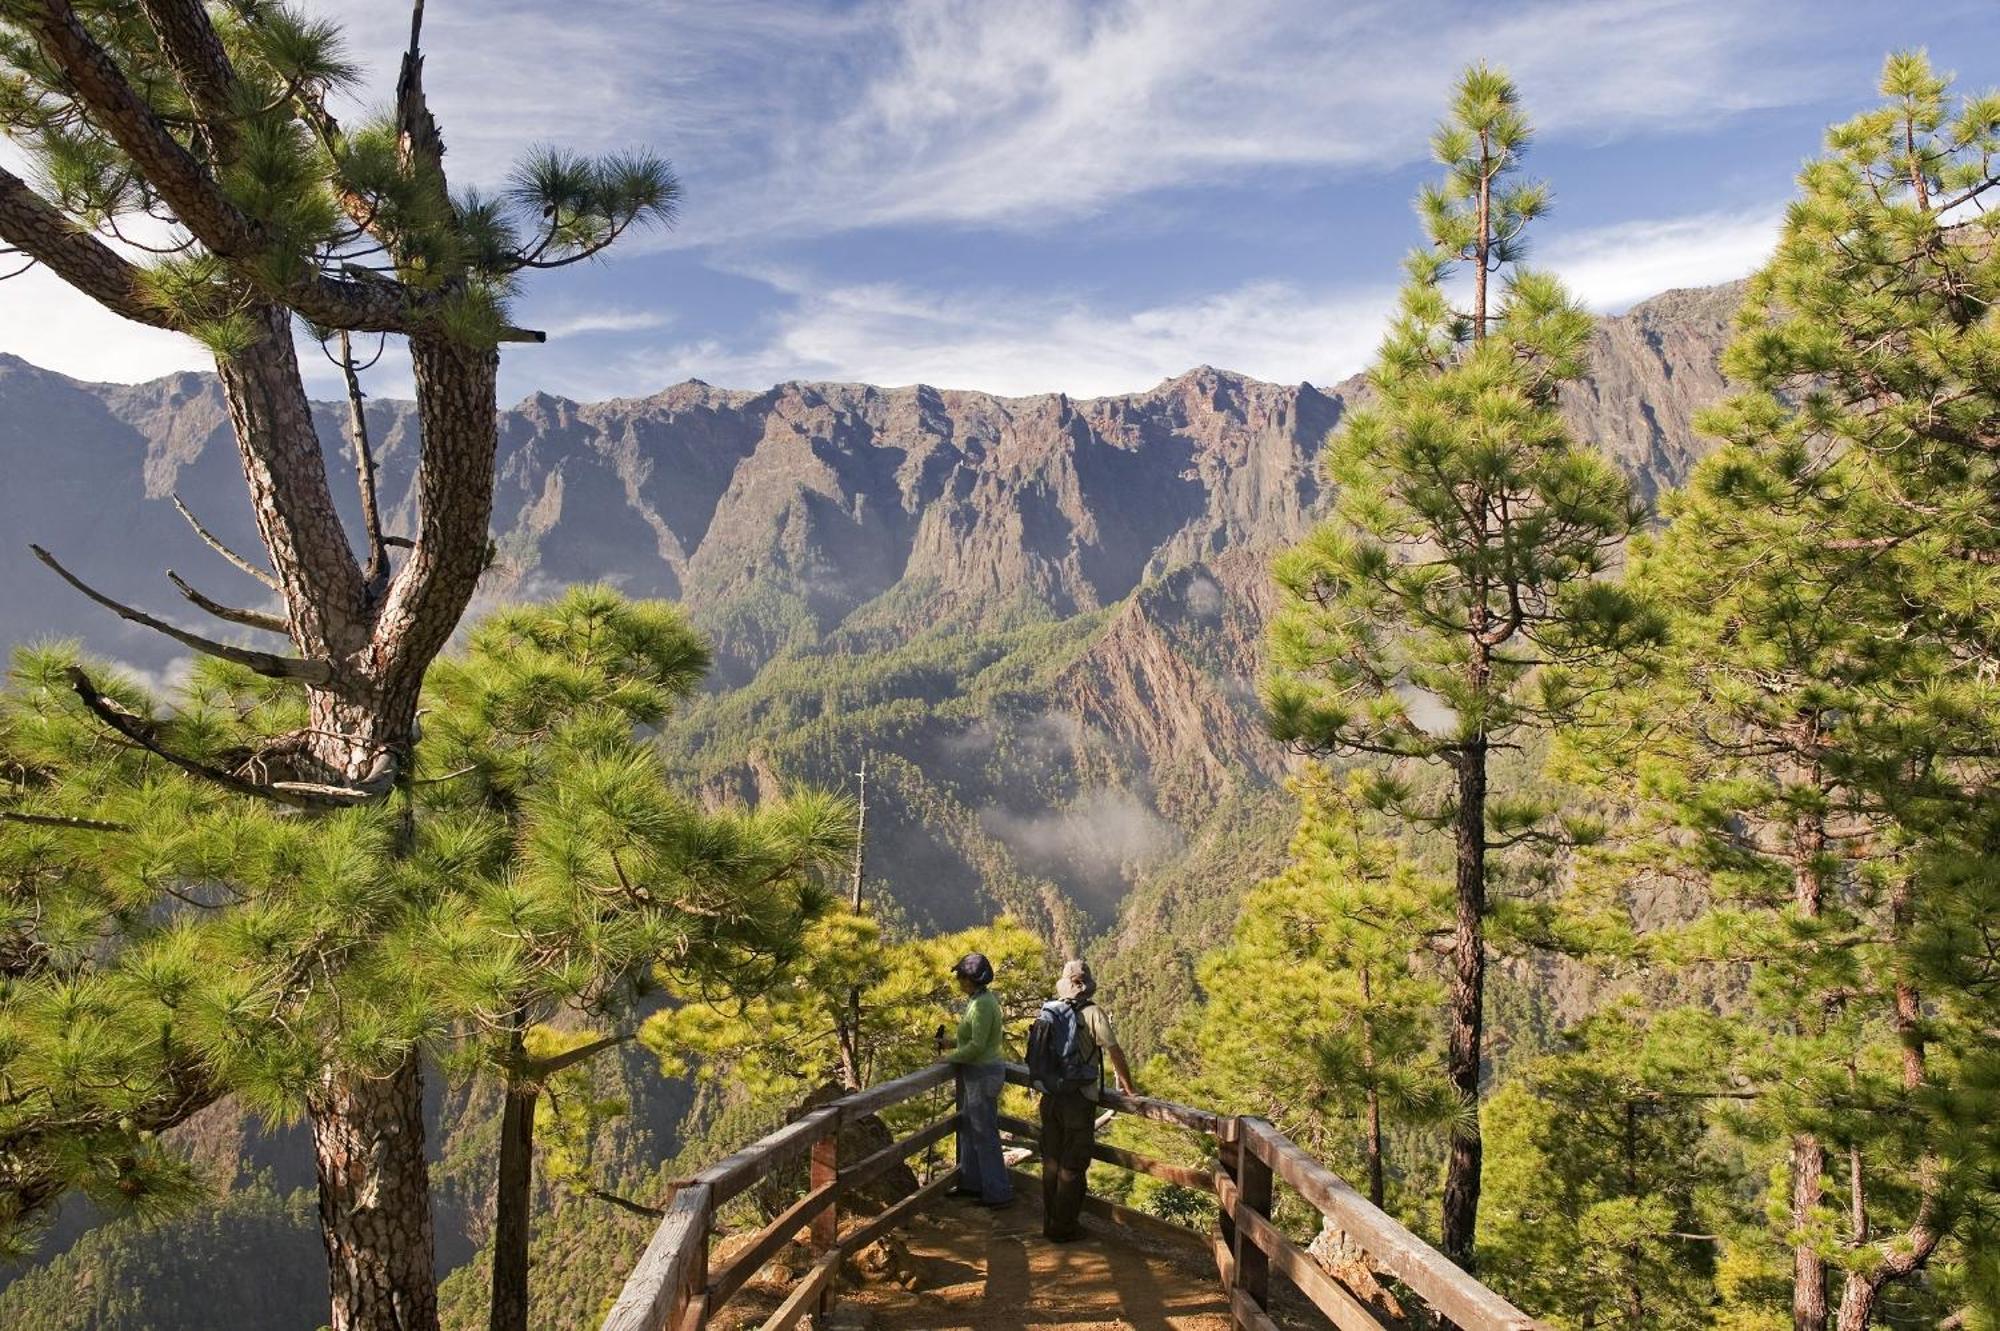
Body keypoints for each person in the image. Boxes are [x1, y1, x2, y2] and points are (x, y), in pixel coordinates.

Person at [1037, 958, 1136, 1243]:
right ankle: (1064, 1229)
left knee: (1052, 1161)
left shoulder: (1049, 1010)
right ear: (1086, 986)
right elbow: (1115, 1051)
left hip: (1050, 1095)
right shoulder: (1093, 1013)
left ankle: (1050, 1222)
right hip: (1079, 1098)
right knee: (1073, 1164)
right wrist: (1129, 1088)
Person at [938, 951, 1012, 1207]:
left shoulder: (981, 1004)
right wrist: (951, 1044)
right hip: (979, 1073)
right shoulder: (981, 999)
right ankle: (972, 1185)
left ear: (971, 979)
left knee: (985, 1134)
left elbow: (978, 1046)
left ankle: (997, 1193)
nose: (958, 980)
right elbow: (974, 1038)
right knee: (971, 1129)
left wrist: (948, 1059)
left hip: (982, 1074)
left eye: (960, 975)